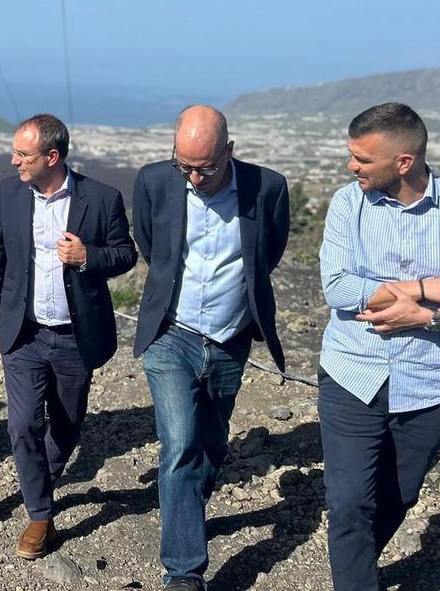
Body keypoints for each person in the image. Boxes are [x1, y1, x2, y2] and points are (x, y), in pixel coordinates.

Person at [318, 102, 440, 590]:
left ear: (403, 161)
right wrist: (426, 288)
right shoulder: (348, 204)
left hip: (430, 385)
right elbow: (339, 288)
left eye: (362, 159)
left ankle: (357, 566)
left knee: (398, 497)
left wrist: (435, 318)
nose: (352, 167)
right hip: (352, 373)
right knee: (348, 503)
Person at [131, 104, 290, 591]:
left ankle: (187, 512)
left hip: (230, 337)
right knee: (179, 444)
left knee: (213, 442)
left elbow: (270, 252)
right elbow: (147, 241)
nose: (194, 178)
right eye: (185, 166)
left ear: (230, 151)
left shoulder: (267, 188)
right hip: (171, 334)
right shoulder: (156, 181)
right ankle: (184, 570)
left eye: (205, 167)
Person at [0, 113, 136, 559]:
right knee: (23, 423)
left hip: (75, 337)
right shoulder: (10, 192)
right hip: (23, 334)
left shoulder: (102, 198)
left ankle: (40, 477)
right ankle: (40, 514)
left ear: (52, 156)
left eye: (22, 155)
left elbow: (125, 255)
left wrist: (88, 256)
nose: (14, 161)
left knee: (65, 426)